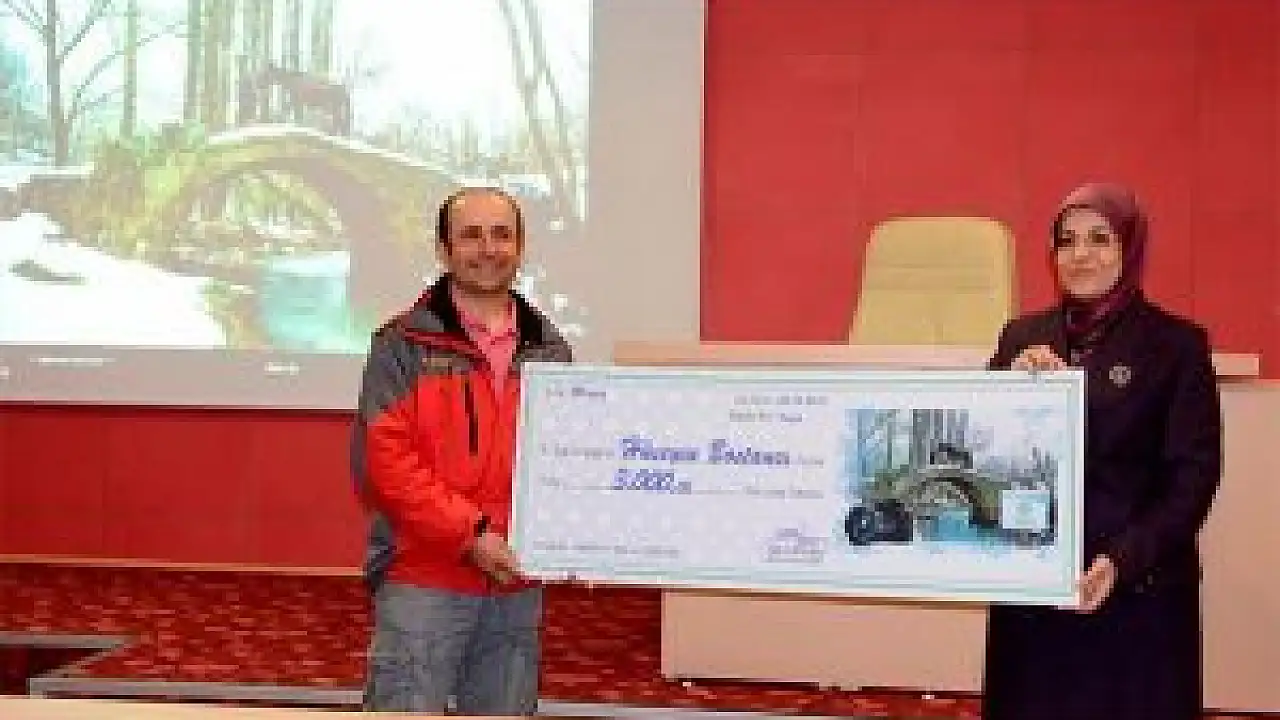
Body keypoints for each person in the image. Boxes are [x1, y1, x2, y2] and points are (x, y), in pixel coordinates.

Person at [981, 182, 1223, 719]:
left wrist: (1120, 561)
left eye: (1099, 239)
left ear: (1129, 248)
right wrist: (1010, 393)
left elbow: (1192, 480)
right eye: (1067, 241)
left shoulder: (1176, 346)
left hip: (1135, 596)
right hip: (1035, 599)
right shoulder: (1021, 338)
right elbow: (983, 458)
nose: (1081, 254)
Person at [351, 186, 573, 714]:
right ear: (443, 249)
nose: (488, 249)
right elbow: (385, 464)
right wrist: (471, 537)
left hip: (516, 583)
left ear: (520, 246)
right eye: (471, 235)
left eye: (501, 235)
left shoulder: (551, 350)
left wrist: (580, 538)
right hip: (423, 581)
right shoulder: (401, 345)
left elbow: (568, 460)